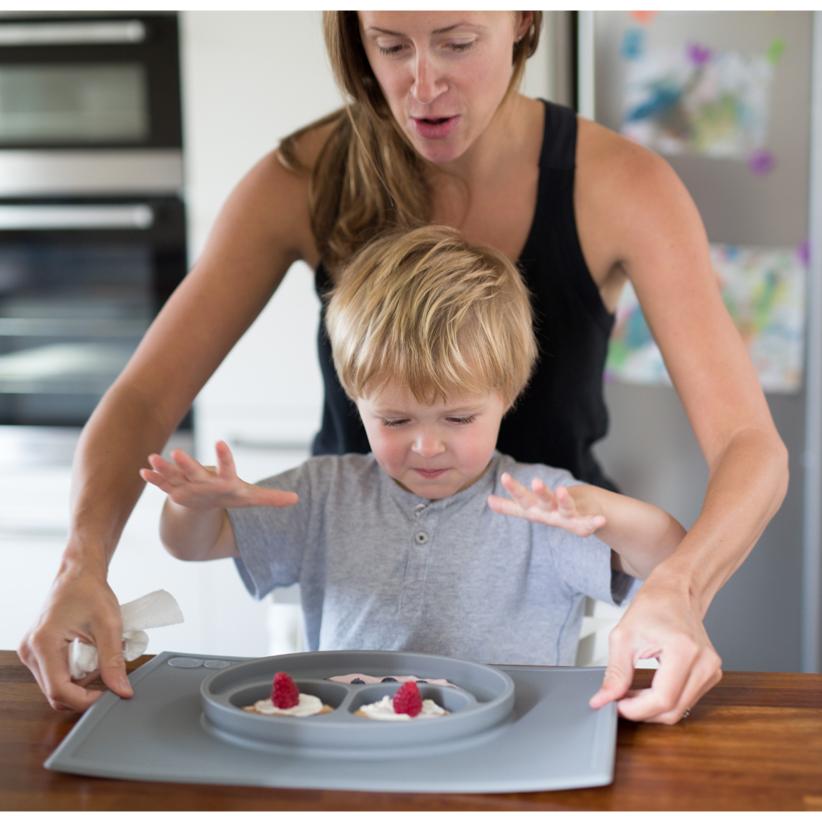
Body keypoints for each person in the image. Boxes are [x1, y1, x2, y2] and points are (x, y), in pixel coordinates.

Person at [18, 12, 787, 722]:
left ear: (522, 20)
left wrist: (679, 584)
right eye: (390, 46)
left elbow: (749, 445)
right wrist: (81, 562)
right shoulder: (302, 176)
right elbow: (144, 398)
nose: (421, 85)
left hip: (538, 577)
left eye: (457, 42)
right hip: (350, 580)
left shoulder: (622, 187)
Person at [139, 226, 686, 669]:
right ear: (355, 400)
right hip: (351, 744)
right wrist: (193, 505)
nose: (426, 445)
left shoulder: (542, 505)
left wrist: (594, 508)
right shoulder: (324, 494)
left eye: (459, 418)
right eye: (395, 419)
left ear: (507, 396)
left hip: (505, 750)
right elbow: (193, 545)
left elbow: (670, 555)